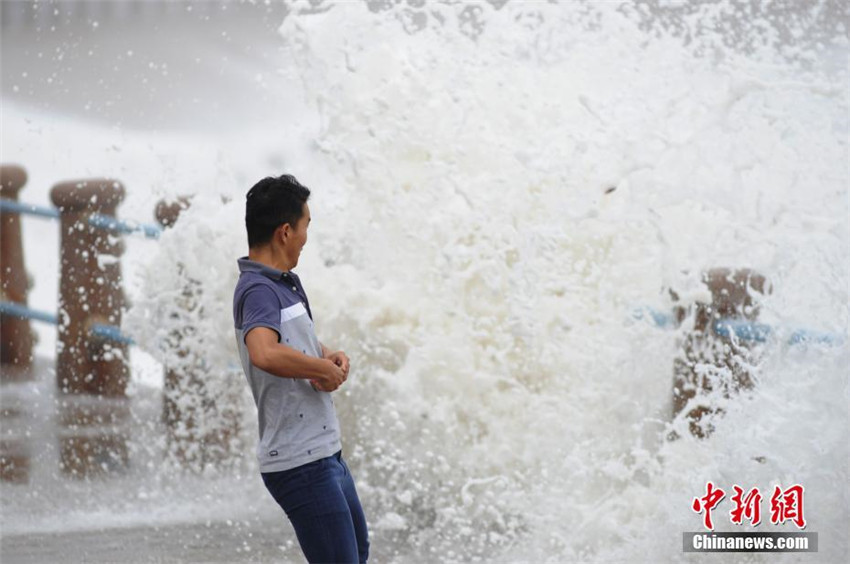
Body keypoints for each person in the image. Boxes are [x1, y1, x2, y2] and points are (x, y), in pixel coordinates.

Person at [232, 174, 370, 563]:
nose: (307, 237)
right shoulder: (258, 290)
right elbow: (264, 352)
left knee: (358, 553)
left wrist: (327, 355)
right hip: (299, 461)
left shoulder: (284, 283)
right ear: (285, 231)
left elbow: (290, 342)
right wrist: (321, 370)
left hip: (325, 453)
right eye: (306, 225)